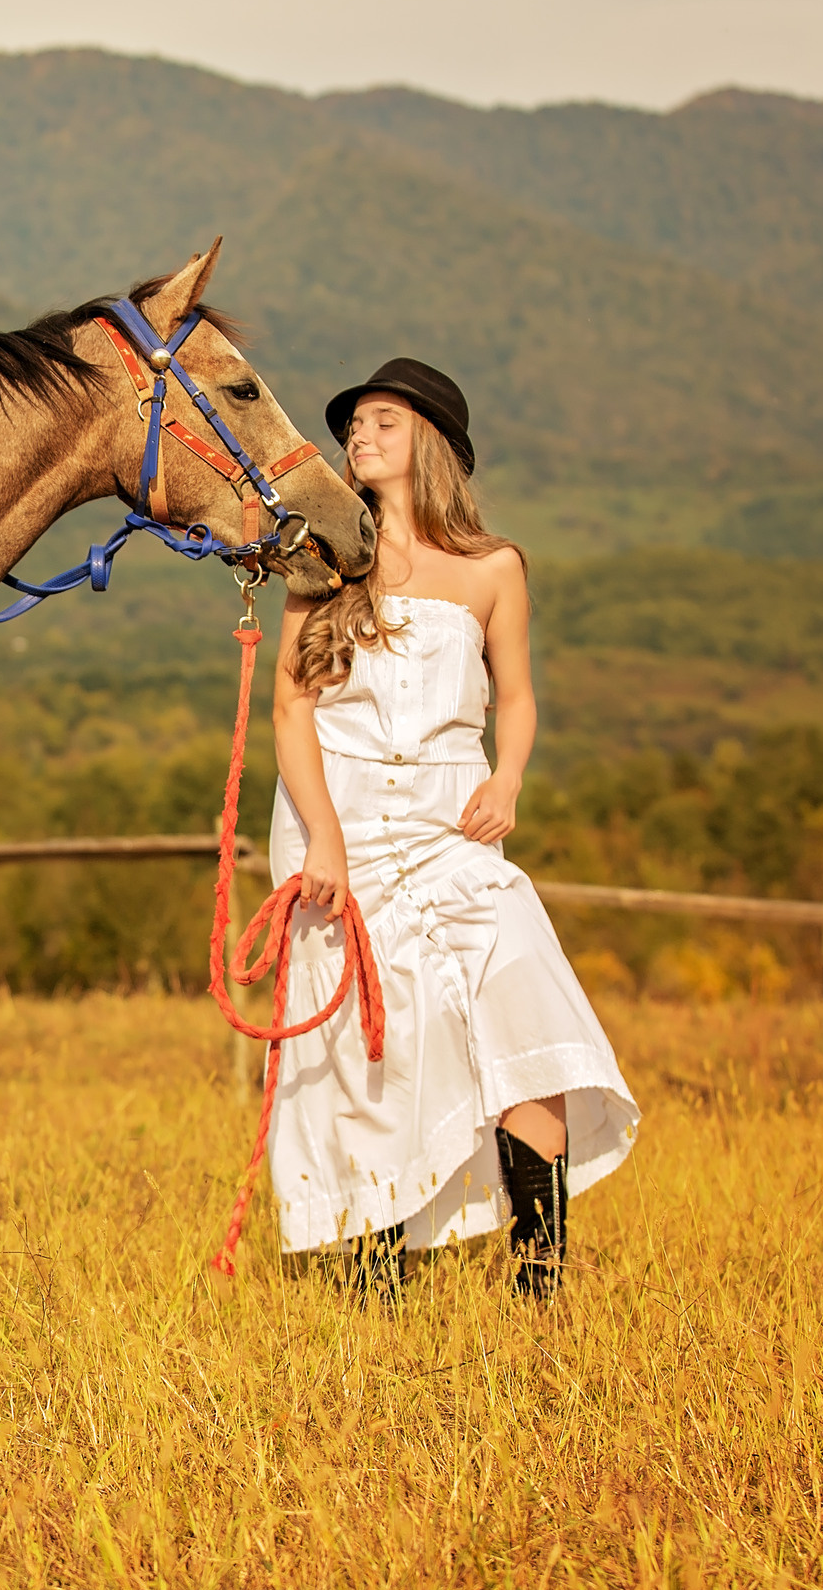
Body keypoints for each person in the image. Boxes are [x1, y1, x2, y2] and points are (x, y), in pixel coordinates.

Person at [267, 359, 639, 1300]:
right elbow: (290, 710)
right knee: (366, 1046)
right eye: (355, 424)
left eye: (383, 422)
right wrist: (323, 838)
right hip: (337, 819)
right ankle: (374, 1278)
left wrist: (509, 778)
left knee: (527, 1004)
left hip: (453, 825)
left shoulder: (492, 568)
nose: (359, 435)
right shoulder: (321, 556)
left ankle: (539, 1275)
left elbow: (515, 697)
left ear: (430, 442)